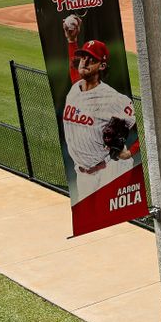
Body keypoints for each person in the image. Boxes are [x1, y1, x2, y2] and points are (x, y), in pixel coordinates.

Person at [59, 36, 137, 201]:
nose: (85, 62)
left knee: (113, 219)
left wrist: (131, 152)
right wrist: (72, 40)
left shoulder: (113, 98)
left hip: (110, 170)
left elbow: (147, 128)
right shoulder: (75, 88)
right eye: (83, 57)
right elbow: (76, 75)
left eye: (91, 59)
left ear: (102, 66)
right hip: (83, 175)